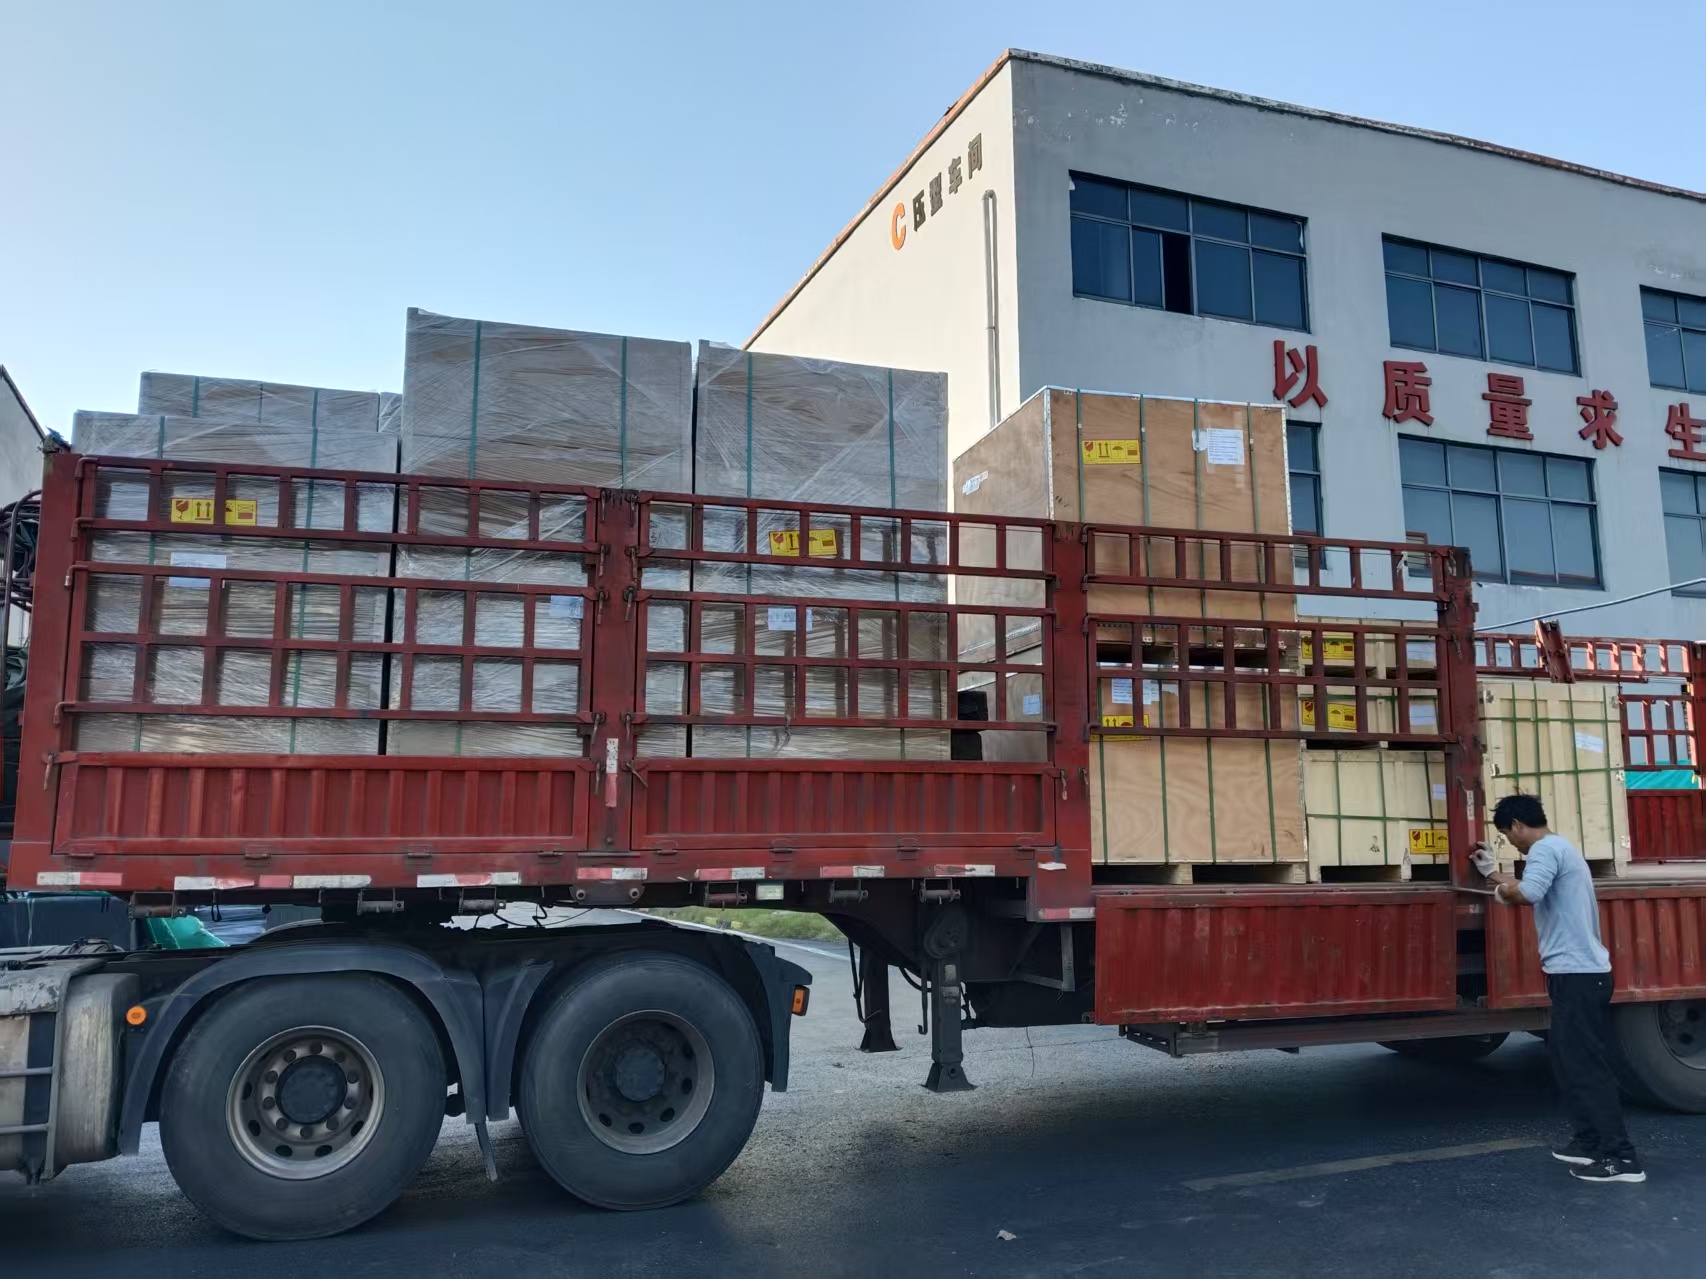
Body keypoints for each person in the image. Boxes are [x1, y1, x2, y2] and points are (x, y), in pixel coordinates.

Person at [1472, 794, 1643, 1183]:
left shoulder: (1545, 850)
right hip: (1575, 975)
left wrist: (1501, 892)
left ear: (1517, 825)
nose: (1510, 842)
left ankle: (1622, 1159)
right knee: (1567, 1063)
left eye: (1506, 835)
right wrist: (1492, 873)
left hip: (1580, 976)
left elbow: (1528, 893)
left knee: (1585, 1067)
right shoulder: (1559, 848)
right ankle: (1589, 1143)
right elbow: (1532, 885)